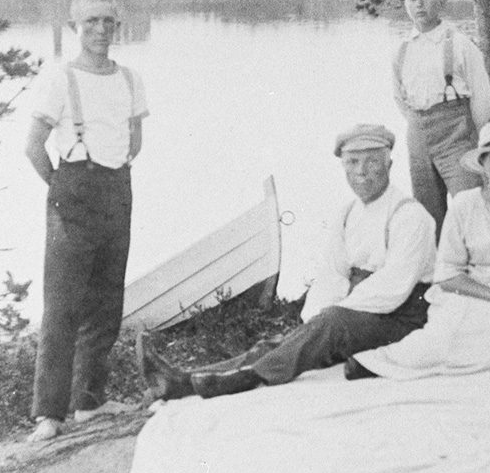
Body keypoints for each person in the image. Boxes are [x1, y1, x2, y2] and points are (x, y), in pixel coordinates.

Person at [137, 124, 436, 401]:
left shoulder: (410, 216)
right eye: (352, 163)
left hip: (401, 320)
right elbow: (331, 275)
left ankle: (247, 378)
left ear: (389, 165)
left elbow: (392, 289)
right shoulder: (347, 214)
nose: (362, 172)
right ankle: (184, 381)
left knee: (332, 323)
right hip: (360, 312)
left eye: (372, 162)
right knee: (287, 340)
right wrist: (315, 321)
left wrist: (330, 318)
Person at [347, 117, 490, 380]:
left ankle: (421, 366)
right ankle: (378, 362)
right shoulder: (464, 205)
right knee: (448, 331)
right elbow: (448, 274)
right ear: (482, 165)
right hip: (474, 293)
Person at [24, 0, 150, 442]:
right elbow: (33, 146)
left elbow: (134, 139)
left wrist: (110, 177)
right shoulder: (60, 78)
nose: (101, 30)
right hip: (73, 189)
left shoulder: (130, 78)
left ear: (117, 25)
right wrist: (62, 190)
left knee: (106, 301)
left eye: (108, 22)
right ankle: (48, 413)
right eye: (91, 21)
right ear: (76, 26)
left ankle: (88, 404)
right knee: (62, 306)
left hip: (118, 189)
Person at [392, 0, 490, 238]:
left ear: (442, 2)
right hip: (418, 133)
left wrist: (470, 132)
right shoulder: (402, 49)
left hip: (456, 131)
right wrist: (419, 121)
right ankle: (437, 273)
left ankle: (479, 268)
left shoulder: (459, 43)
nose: (419, 5)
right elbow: (399, 97)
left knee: (469, 202)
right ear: (405, 3)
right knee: (427, 211)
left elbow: (482, 97)